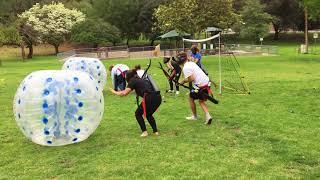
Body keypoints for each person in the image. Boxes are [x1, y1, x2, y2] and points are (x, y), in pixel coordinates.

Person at [110, 69, 162, 137]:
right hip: (158, 97)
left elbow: (124, 93)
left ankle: (144, 132)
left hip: (149, 97)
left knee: (138, 113)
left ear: (128, 77)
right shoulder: (141, 79)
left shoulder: (133, 80)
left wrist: (115, 92)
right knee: (148, 114)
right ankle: (155, 132)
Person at [177, 51, 213, 125]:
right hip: (206, 82)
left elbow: (191, 78)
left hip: (201, 85)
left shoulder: (186, 67)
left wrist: (183, 81)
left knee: (190, 97)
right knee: (201, 101)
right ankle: (208, 116)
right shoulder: (191, 63)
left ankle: (195, 116)